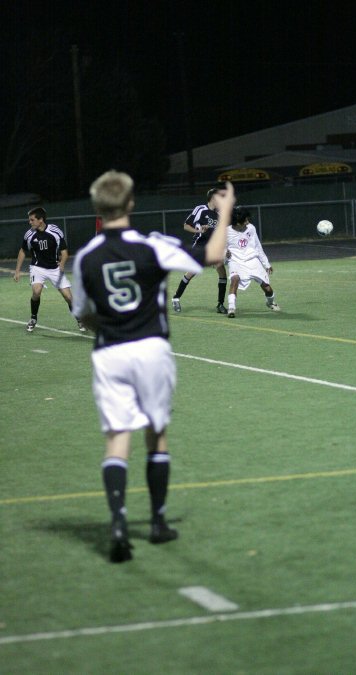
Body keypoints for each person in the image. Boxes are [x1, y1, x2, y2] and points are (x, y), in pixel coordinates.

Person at [72, 170, 235, 563]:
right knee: (156, 436)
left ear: (98, 208)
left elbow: (84, 315)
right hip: (151, 349)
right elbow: (213, 256)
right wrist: (225, 212)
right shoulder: (152, 245)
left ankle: (117, 523)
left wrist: (110, 323)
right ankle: (158, 522)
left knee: (117, 439)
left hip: (110, 352)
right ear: (130, 204)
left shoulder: (85, 258)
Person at [13, 207, 86, 332]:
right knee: (36, 291)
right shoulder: (29, 234)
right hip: (37, 267)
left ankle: (79, 319)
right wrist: (17, 270)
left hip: (54, 268)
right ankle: (33, 318)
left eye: (32, 220)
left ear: (40, 220)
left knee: (68, 297)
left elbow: (64, 252)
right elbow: (22, 250)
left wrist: (61, 265)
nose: (30, 222)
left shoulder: (55, 231)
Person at [171, 186, 228, 314]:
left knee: (222, 273)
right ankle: (176, 298)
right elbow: (186, 226)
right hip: (200, 245)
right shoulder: (201, 209)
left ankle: (220, 304)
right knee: (192, 272)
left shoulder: (219, 214)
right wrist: (199, 230)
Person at [226, 207, 280, 318]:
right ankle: (231, 308)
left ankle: (270, 302)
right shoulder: (226, 232)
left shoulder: (251, 228)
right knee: (234, 279)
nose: (248, 222)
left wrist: (266, 264)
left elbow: (258, 247)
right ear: (237, 222)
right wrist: (224, 254)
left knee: (267, 288)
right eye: (245, 220)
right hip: (235, 261)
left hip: (252, 261)